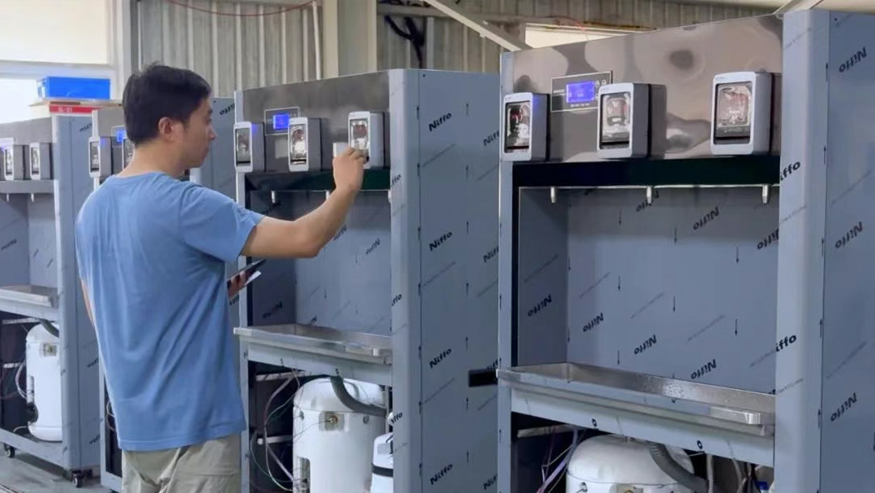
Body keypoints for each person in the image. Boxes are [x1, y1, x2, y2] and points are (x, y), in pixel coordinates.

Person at [74, 64, 366, 493]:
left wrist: (200, 298)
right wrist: (345, 189)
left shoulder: (92, 209)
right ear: (169, 127)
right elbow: (304, 239)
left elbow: (105, 312)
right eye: (206, 119)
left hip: (136, 434)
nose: (213, 133)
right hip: (197, 436)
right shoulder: (187, 203)